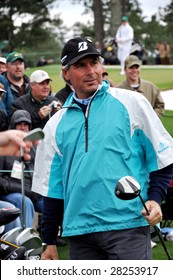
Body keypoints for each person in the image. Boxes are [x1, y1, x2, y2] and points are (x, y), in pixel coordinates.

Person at [32, 37, 173, 260]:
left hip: (128, 227)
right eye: (80, 65)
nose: (91, 71)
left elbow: (164, 157)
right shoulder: (54, 125)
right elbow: (53, 188)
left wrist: (155, 199)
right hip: (80, 232)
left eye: (94, 62)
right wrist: (49, 239)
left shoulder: (132, 103)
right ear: (66, 73)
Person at [0, 110, 43, 228]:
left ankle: (51, 238)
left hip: (34, 192)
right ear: (13, 126)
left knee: (51, 201)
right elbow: (1, 181)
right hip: (11, 193)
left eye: (26, 124)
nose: (23, 127)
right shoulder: (5, 148)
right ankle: (24, 238)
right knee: (24, 202)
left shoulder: (34, 147)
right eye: (20, 124)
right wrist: (22, 189)